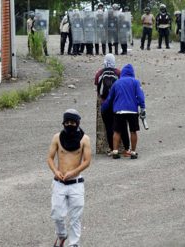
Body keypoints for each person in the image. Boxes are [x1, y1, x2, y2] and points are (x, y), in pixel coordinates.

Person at [47, 109, 91, 247]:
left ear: (77, 123)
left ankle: (74, 244)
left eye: (72, 122)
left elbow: (87, 161)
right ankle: (61, 235)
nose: (70, 124)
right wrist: (55, 171)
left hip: (76, 184)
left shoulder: (85, 139)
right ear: (63, 122)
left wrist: (74, 172)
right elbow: (49, 158)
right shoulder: (57, 137)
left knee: (75, 218)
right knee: (57, 214)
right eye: (67, 122)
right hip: (59, 183)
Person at [101, 64, 146, 159]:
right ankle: (133, 152)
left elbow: (110, 98)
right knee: (133, 131)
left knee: (117, 131)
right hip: (132, 111)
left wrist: (103, 108)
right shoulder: (135, 82)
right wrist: (142, 107)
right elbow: (141, 97)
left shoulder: (117, 83)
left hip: (119, 110)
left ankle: (115, 151)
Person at [94, 54, 131, 156]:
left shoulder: (99, 73)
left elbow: (98, 88)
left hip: (105, 104)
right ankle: (126, 148)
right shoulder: (119, 73)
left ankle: (111, 149)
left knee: (109, 127)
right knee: (122, 126)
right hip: (117, 104)